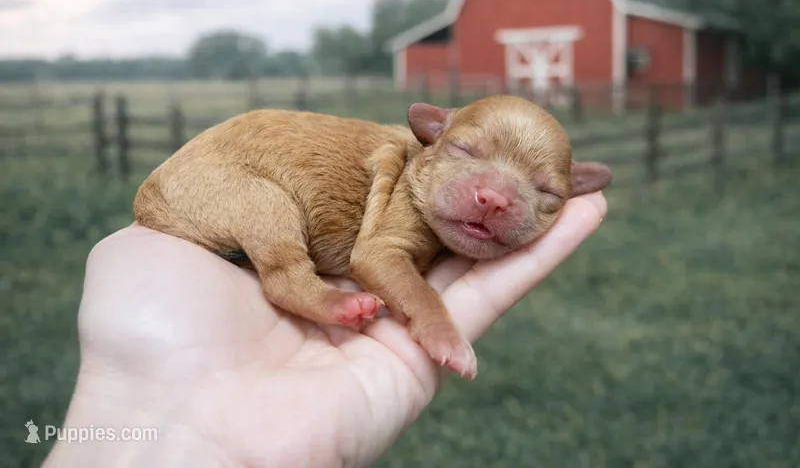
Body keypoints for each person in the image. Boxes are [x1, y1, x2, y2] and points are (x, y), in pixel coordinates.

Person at [42, 192, 607, 468]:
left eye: (547, 195)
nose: (495, 196)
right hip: (252, 192)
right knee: (272, 219)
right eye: (463, 149)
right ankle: (297, 285)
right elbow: (377, 255)